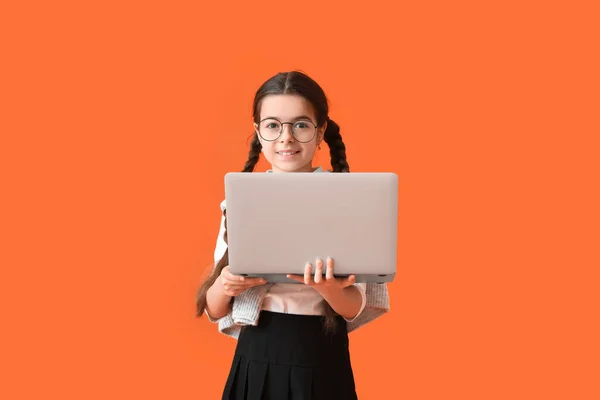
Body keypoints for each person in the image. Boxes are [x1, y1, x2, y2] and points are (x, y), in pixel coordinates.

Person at [196, 71, 390, 399]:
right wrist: (225, 284)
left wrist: (327, 288)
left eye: (300, 124)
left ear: (320, 132)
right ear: (259, 133)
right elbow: (215, 310)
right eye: (273, 125)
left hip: (320, 355)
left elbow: (357, 304)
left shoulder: (350, 199)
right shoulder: (238, 202)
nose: (286, 138)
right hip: (255, 354)